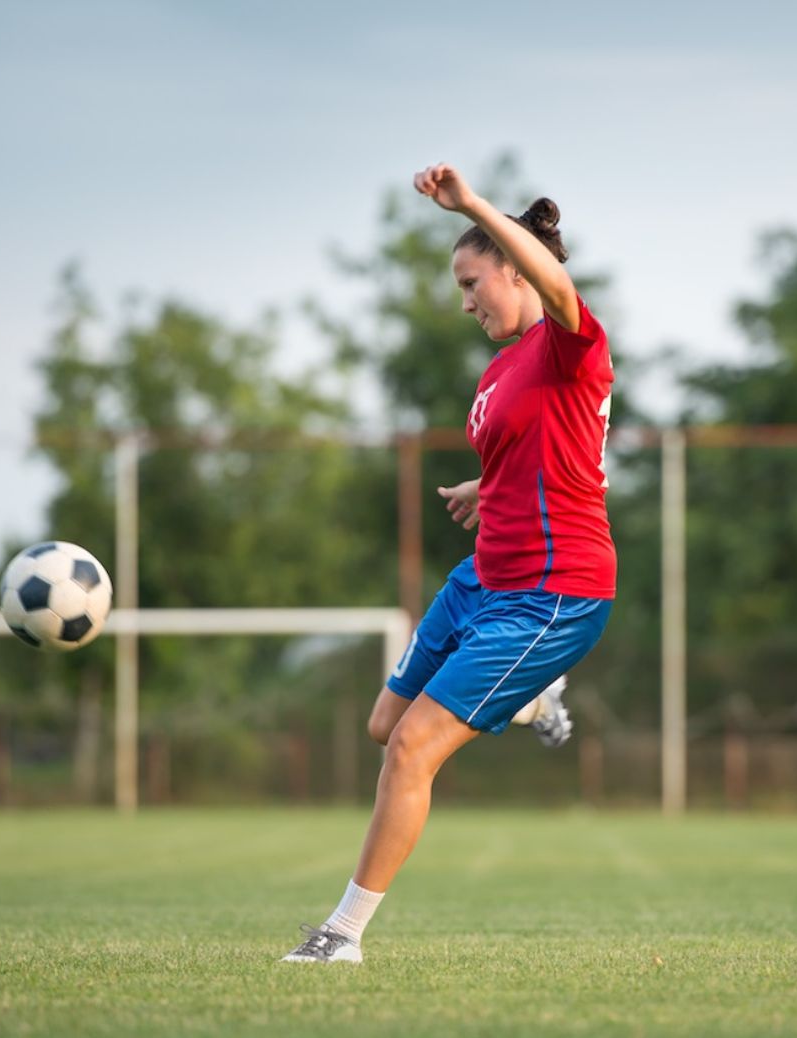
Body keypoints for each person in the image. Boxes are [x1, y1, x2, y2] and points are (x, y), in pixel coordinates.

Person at [282, 162, 617, 964]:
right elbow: (544, 451)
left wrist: (470, 205)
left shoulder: (572, 344)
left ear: (514, 265)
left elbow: (558, 291)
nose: (467, 302)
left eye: (474, 282)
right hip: (482, 580)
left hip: (553, 594)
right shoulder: (500, 367)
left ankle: (342, 935)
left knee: (414, 749)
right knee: (384, 727)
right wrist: (486, 485)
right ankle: (534, 699)